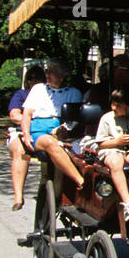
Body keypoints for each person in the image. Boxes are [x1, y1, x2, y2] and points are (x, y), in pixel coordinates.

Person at [20, 58, 86, 192]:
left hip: (62, 132)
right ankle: (82, 182)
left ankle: (62, 195)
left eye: (52, 72)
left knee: (80, 149)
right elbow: (26, 115)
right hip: (39, 132)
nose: (47, 75)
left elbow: (74, 120)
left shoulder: (74, 93)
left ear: (62, 76)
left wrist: (66, 130)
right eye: (47, 71)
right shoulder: (38, 89)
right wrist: (26, 134)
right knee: (51, 143)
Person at [95, 89, 129, 223]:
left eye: (118, 106)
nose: (113, 107)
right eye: (113, 104)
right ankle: (128, 202)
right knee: (115, 162)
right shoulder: (107, 119)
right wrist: (117, 141)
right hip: (111, 150)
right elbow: (101, 143)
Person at [8, 63, 44, 210]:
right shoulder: (21, 95)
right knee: (20, 150)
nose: (33, 81)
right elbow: (14, 115)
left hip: (45, 132)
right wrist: (30, 120)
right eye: (30, 78)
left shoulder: (49, 95)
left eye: (38, 78)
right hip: (21, 131)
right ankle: (18, 196)